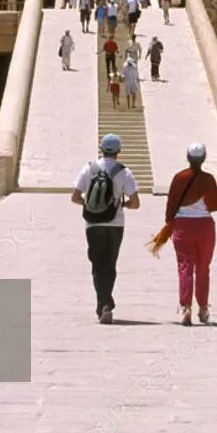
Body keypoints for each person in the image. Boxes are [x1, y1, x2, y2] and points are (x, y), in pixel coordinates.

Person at [146, 143, 217, 326]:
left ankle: (186, 307)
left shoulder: (179, 178)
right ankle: (203, 307)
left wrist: (169, 222)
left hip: (182, 226)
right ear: (203, 158)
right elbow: (216, 204)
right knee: (203, 267)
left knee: (184, 267)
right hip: (204, 227)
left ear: (188, 158)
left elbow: (171, 203)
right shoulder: (208, 179)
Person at [71, 134, 140, 323]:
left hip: (92, 223)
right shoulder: (124, 172)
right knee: (110, 264)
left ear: (101, 148)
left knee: (97, 264)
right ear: (119, 151)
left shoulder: (88, 168)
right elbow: (135, 203)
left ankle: (103, 304)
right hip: (115, 223)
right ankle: (105, 304)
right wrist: (120, 204)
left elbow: (75, 198)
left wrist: (92, 204)